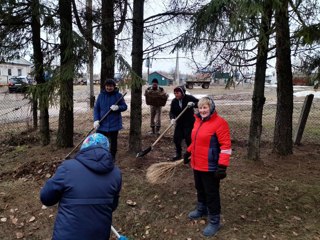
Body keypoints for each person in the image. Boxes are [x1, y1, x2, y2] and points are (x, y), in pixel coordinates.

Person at [40, 133, 122, 240]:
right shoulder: (116, 173)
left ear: (84, 148)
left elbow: (46, 198)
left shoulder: (67, 167)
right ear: (107, 149)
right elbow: (112, 206)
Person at [183, 96, 232, 237]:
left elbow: (226, 146)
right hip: (197, 163)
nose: (202, 110)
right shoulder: (198, 121)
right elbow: (197, 141)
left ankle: (215, 221)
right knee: (200, 188)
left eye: (205, 107)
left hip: (210, 166)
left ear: (211, 108)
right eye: (201, 107)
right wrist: (188, 151)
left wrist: (222, 166)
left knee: (212, 193)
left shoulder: (220, 123)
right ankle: (201, 209)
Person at [93, 79, 127, 160]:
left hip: (114, 124)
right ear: (105, 87)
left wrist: (118, 107)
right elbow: (96, 109)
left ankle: (112, 158)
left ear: (114, 86)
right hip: (102, 124)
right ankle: (100, 156)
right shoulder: (101, 96)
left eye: (111, 86)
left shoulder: (118, 96)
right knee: (100, 141)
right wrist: (96, 120)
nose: (109, 87)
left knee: (113, 142)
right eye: (107, 86)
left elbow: (125, 106)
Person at [169, 85, 198, 160]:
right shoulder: (174, 101)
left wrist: (193, 104)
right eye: (175, 93)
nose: (176, 95)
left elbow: (199, 103)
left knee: (188, 139)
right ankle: (178, 154)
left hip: (189, 123)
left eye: (177, 93)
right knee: (176, 139)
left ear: (182, 93)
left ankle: (190, 154)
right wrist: (172, 118)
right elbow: (172, 112)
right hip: (179, 123)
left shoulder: (189, 98)